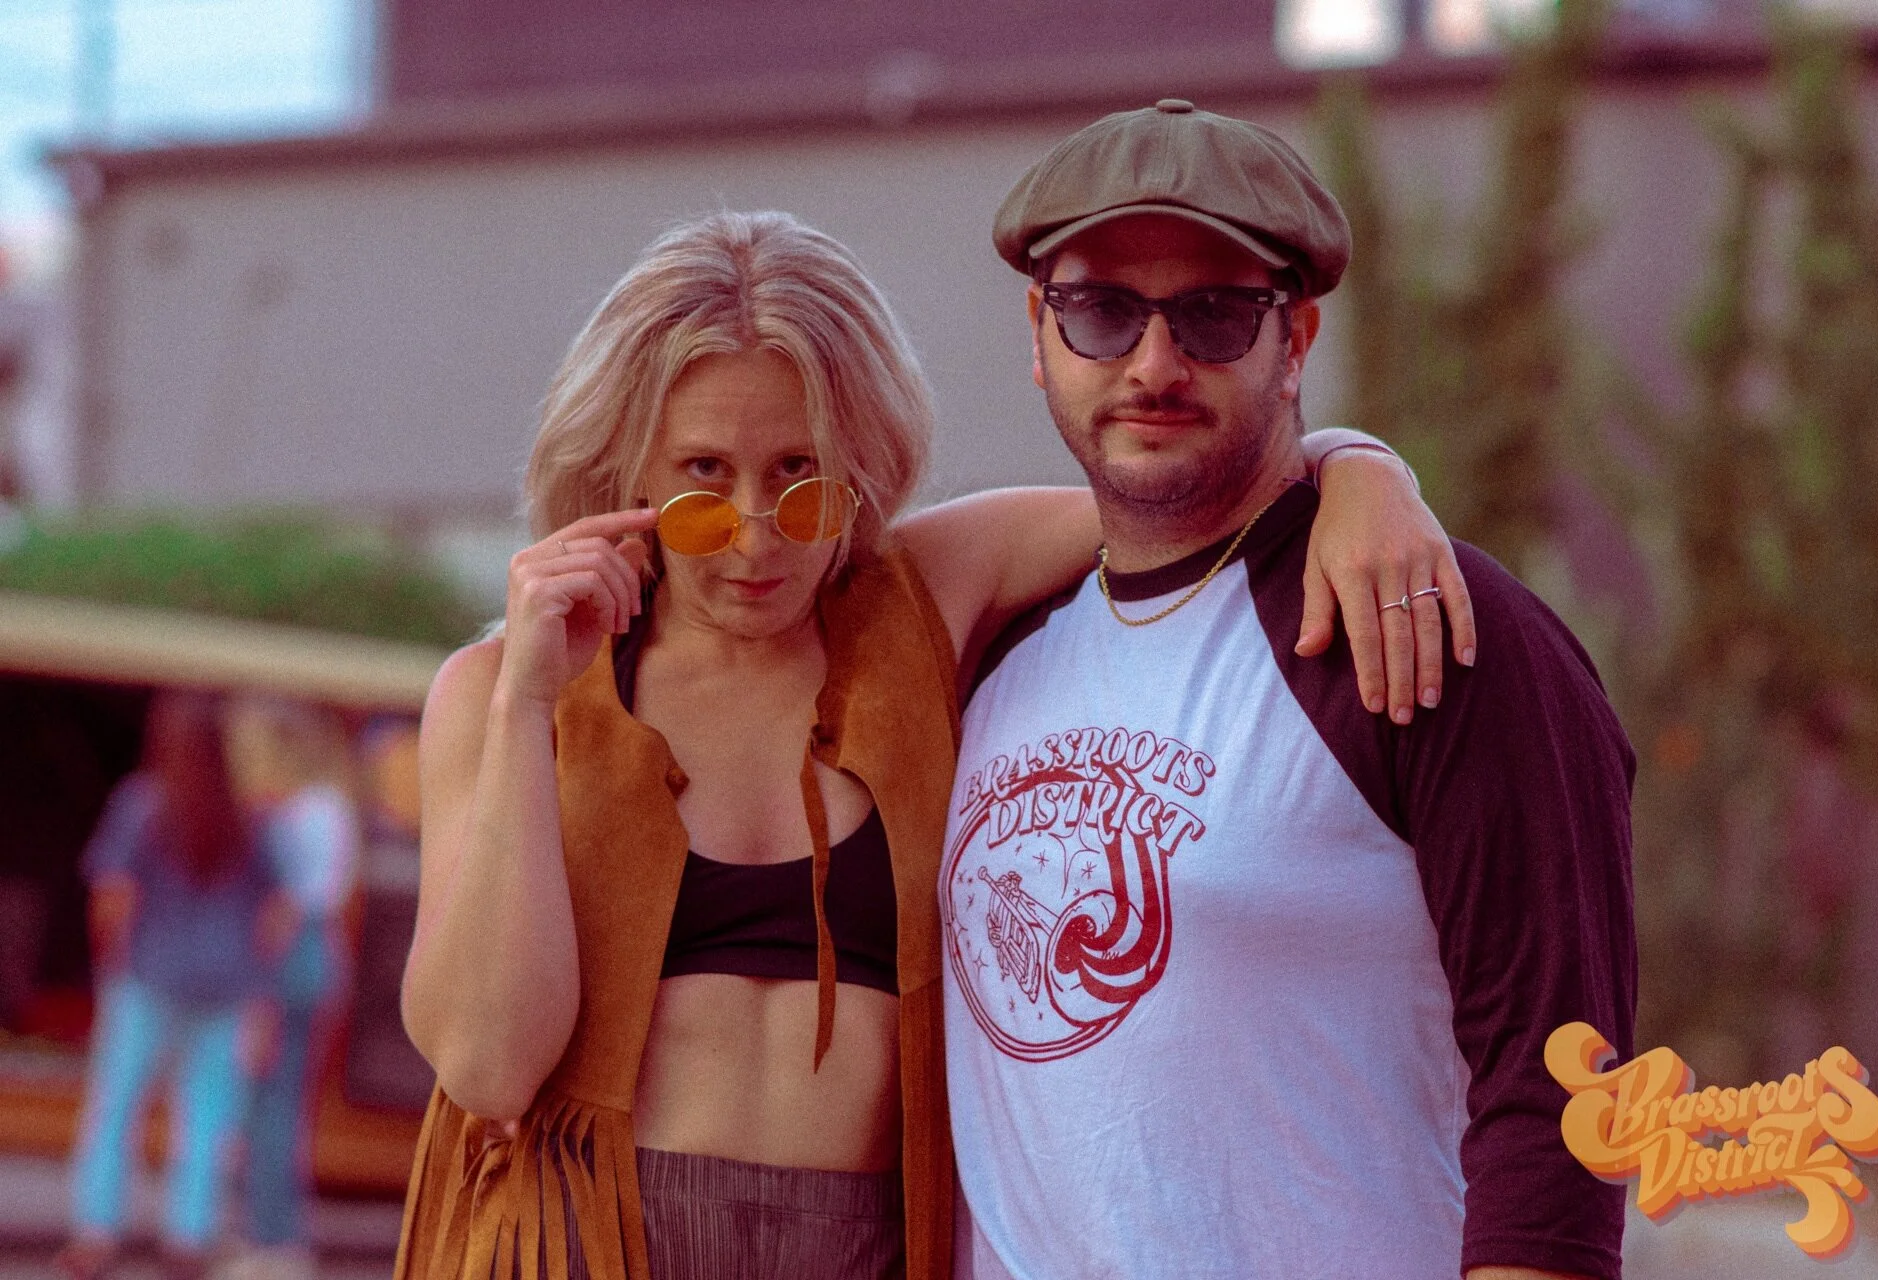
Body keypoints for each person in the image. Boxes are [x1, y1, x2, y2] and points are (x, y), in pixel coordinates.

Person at [393, 209, 1474, 1280]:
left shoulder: (924, 599)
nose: (757, 535)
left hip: (864, 1246)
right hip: (584, 1243)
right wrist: (527, 703)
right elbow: (489, 1066)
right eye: (704, 480)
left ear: (861, 462)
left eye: (801, 477)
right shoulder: (504, 693)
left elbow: (1190, 499)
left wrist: (1360, 466)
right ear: (633, 469)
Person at [940, 100, 1638, 1280]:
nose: (1153, 364)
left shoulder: (1421, 628)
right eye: (1102, 311)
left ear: (1296, 338)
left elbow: (1561, 1087)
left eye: (1215, 314)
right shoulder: (989, 646)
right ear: (1040, 331)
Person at [60, 690, 290, 1280]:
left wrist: (109, 965)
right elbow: (276, 913)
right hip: (228, 987)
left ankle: (96, 1235)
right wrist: (261, 988)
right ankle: (189, 1238)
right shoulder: (246, 814)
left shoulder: (142, 804)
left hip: (149, 978)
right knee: (208, 1119)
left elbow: (113, 896)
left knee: (116, 1110)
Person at [223, 699, 360, 1280]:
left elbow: (285, 909)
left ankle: (275, 1243)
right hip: (311, 957)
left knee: (270, 1107)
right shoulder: (329, 806)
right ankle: (273, 1236)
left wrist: (255, 993)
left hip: (287, 961)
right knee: (277, 1105)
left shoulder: (301, 812)